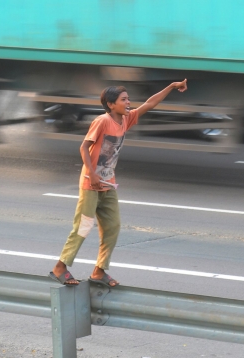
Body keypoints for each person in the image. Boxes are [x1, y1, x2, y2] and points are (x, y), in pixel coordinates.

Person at [49, 79, 188, 286]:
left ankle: (99, 271)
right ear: (111, 104)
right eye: (124, 99)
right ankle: (60, 268)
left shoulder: (126, 119)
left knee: (113, 227)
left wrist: (170, 87)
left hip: (108, 183)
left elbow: (149, 104)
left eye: (128, 98)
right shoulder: (102, 121)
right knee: (83, 227)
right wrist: (92, 174)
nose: (128, 102)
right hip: (91, 184)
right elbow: (83, 147)